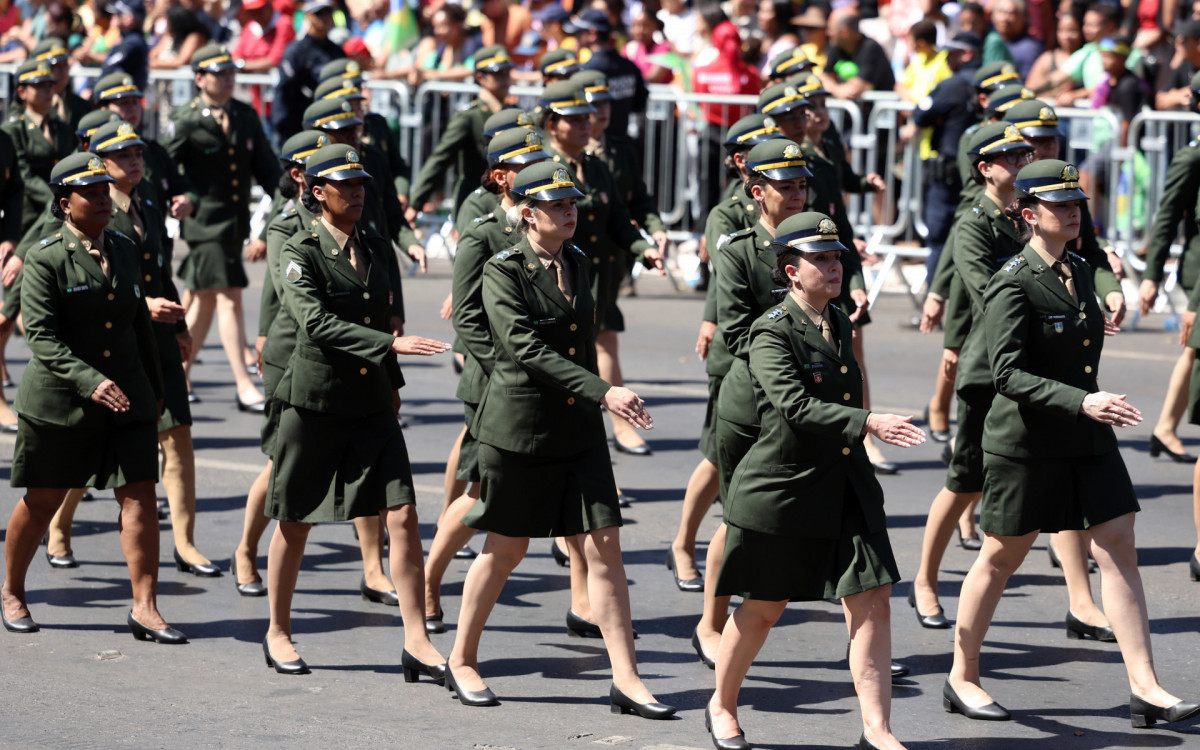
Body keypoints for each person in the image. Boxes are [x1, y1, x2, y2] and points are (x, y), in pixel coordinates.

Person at [944, 158, 1200, 730]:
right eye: (1060, 205)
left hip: (1086, 432)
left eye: (1076, 203)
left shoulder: (1078, 268)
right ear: (1029, 215)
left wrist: (1098, 322)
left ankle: (1146, 687)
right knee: (1001, 556)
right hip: (1028, 441)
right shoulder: (1012, 281)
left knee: (1118, 545)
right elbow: (1005, 373)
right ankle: (962, 675)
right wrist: (1081, 400)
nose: (1073, 211)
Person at [443, 161, 673, 720]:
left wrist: (595, 397)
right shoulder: (504, 270)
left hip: (578, 429)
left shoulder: (578, 260)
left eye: (572, 203)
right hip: (521, 428)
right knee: (506, 547)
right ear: (526, 213)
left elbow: (578, 343)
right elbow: (524, 349)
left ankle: (627, 677)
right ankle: (462, 658)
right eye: (557, 205)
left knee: (605, 547)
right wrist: (604, 391)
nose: (570, 212)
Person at [708, 211, 925, 750]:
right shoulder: (770, 332)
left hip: (845, 481)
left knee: (873, 597)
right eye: (820, 259)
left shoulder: (839, 321)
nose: (833, 267)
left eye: (836, 258)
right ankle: (721, 704)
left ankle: (877, 728)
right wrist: (869, 421)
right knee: (764, 607)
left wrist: (860, 431)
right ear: (789, 271)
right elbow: (796, 407)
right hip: (785, 488)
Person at [263, 143, 450, 675]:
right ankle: (278, 629)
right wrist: (390, 347)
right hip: (316, 400)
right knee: (295, 519)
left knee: (404, 516)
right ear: (317, 192)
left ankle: (416, 636)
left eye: (362, 184)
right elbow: (314, 324)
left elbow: (383, 310)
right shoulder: (300, 247)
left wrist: (391, 380)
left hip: (370, 401)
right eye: (345, 186)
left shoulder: (372, 241)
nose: (357, 193)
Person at [0, 151, 184, 645]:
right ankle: (13, 590)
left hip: (126, 396)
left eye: (107, 192)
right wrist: (89, 381)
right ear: (64, 204)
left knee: (140, 497)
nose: (105, 200)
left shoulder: (124, 247)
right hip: (64, 403)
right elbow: (41, 337)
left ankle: (145, 607)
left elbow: (135, 321)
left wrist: (153, 391)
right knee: (43, 500)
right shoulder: (44, 256)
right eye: (92, 194)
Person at [424, 125, 552, 633]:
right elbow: (467, 316)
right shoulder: (483, 230)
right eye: (526, 166)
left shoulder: (543, 223)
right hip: (495, 379)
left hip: (537, 380)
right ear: (502, 178)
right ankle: (428, 579)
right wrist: (502, 370)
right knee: (480, 490)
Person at [670, 113, 783, 592]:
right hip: (738, 357)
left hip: (781, 359)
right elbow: (726, 278)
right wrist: (711, 320)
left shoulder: (795, 209)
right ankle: (683, 542)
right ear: (742, 163)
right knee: (718, 456)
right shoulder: (728, 214)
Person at [232, 129, 329, 598]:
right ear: (299, 175)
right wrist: (265, 335)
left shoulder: (350, 208)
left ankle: (375, 567)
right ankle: (247, 549)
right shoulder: (286, 223)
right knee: (282, 463)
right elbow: (284, 292)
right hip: (294, 349)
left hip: (341, 353)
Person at [165, 44, 281, 411]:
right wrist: (181, 197)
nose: (229, 79)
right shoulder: (186, 119)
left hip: (233, 224)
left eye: (232, 73)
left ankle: (176, 373)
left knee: (201, 300)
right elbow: (165, 168)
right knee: (229, 297)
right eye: (220, 74)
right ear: (200, 78)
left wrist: (291, 191)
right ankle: (244, 383)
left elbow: (267, 171)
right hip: (203, 223)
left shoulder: (245, 116)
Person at [1139, 70, 1200, 464]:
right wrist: (1151, 275)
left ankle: (1165, 426)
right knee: (1193, 349)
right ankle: (1165, 426)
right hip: (1199, 274)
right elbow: (1167, 217)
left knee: (1193, 353)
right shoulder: (1193, 154)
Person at [904, 31, 982, 283]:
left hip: (948, 177)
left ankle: (934, 300)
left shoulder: (955, 84)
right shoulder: (989, 81)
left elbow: (920, 114)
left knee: (939, 238)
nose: (947, 58)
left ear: (966, 54)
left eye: (952, 53)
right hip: (982, 176)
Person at [407, 44, 512, 222]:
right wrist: (415, 203)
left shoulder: (512, 113)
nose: (505, 79)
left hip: (508, 203)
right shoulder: (470, 116)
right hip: (476, 202)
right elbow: (440, 159)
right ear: (481, 77)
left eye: (507, 73)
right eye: (497, 74)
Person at [271, 0, 345, 144]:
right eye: (318, 13)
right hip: (301, 129)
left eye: (328, 12)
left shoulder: (337, 52)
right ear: (308, 15)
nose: (324, 17)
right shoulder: (296, 52)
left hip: (332, 127)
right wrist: (283, 129)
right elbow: (284, 93)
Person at [576, 8, 649, 139]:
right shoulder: (628, 66)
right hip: (621, 141)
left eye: (580, 32)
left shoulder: (588, 69)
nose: (576, 36)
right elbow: (639, 103)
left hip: (597, 144)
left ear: (592, 33)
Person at [820, 8, 894, 102]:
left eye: (831, 29)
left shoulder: (870, 48)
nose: (828, 33)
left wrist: (833, 88)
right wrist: (837, 90)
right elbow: (823, 78)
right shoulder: (836, 47)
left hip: (877, 113)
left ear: (845, 31)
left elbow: (856, 88)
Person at [31, 36, 89, 130]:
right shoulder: (32, 107)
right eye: (55, 66)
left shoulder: (82, 106)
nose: (62, 71)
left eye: (64, 64)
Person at [1026, 10, 1085, 95]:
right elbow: (1029, 89)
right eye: (1062, 30)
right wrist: (1054, 92)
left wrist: (1075, 95)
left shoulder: (1088, 56)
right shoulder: (1047, 59)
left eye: (1072, 30)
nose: (1067, 36)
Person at [99, 0, 148, 92]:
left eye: (118, 14)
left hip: (125, 99)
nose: (113, 17)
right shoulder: (127, 40)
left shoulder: (133, 42)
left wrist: (94, 90)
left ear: (129, 19)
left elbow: (110, 66)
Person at [991, 0, 1043, 79]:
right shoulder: (989, 40)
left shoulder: (1028, 48)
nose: (1005, 18)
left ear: (1023, 18)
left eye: (1011, 13)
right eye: (1001, 12)